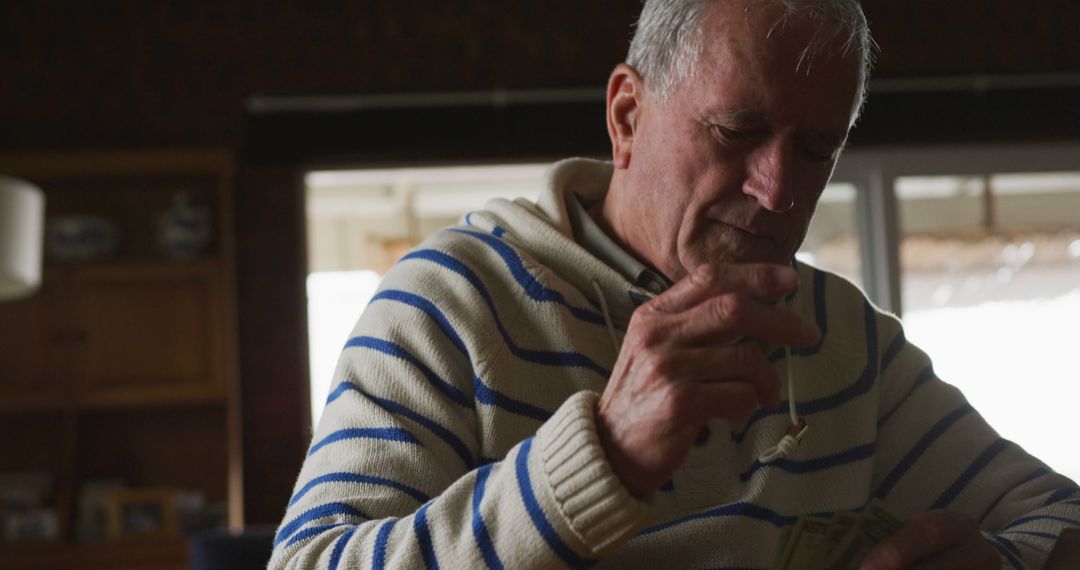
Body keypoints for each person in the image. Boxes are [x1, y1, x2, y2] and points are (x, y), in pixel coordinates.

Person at [270, 0, 1080, 568]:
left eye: (815, 151)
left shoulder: (841, 335)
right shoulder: (450, 305)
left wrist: (999, 565)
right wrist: (601, 461)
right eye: (740, 131)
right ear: (626, 116)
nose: (778, 190)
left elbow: (1060, 521)